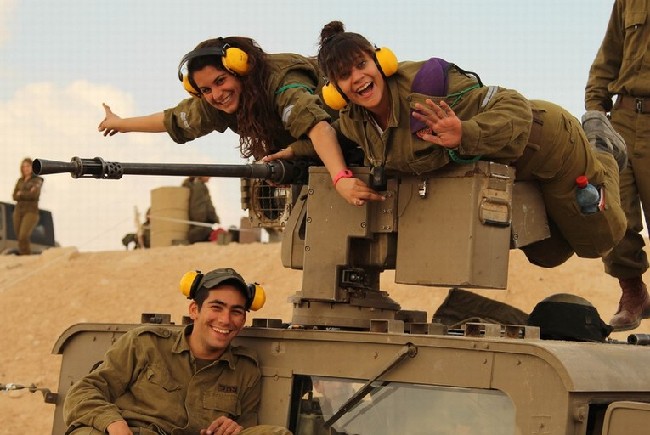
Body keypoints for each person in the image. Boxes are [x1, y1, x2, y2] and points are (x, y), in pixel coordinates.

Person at [315, 20, 627, 269]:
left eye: (362, 64)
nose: (358, 77)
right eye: (344, 75)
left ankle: (601, 146)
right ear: (336, 90)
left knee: (598, 241)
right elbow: (323, 134)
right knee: (548, 255)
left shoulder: (428, 85)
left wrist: (465, 132)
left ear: (380, 61)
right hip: (512, 171)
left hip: (547, 145)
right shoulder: (355, 122)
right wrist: (336, 176)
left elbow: (515, 106)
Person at [97, 36, 378, 207]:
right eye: (206, 90)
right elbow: (175, 119)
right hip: (320, 158)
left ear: (240, 68)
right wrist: (121, 124)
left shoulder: (281, 81)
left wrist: (340, 178)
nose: (216, 94)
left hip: (363, 140)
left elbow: (319, 127)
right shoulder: (220, 101)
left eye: (221, 81)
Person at [63, 267, 292, 435]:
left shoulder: (245, 369)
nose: (225, 319)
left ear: (243, 320)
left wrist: (234, 427)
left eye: (236, 311)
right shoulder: (146, 344)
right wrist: (113, 423)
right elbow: (84, 391)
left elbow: (246, 427)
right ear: (194, 310)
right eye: (216, 307)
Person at [585, 0, 650, 331]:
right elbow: (609, 55)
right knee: (612, 210)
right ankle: (633, 293)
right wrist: (595, 111)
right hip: (623, 118)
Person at [12, 157, 44, 255]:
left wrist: (21, 194)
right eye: (24, 166)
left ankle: (27, 257)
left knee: (23, 236)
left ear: (32, 167)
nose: (26, 168)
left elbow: (34, 195)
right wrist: (25, 193)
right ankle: (24, 257)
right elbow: (14, 196)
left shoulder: (37, 180)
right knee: (19, 237)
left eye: (28, 166)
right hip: (18, 211)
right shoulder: (20, 180)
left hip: (31, 211)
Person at [182, 176, 220, 244]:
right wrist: (215, 219)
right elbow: (202, 206)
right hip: (200, 226)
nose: (210, 177)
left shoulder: (190, 184)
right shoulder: (199, 186)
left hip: (192, 225)